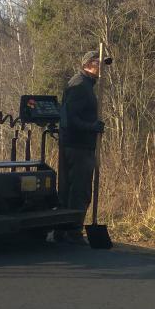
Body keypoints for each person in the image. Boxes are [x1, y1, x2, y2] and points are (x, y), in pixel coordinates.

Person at [57, 50, 105, 244]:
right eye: (99, 62)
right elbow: (70, 119)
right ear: (88, 64)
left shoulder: (86, 85)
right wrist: (91, 127)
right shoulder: (79, 85)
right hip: (77, 146)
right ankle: (72, 231)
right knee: (79, 189)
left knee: (72, 188)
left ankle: (64, 230)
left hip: (78, 144)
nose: (102, 67)